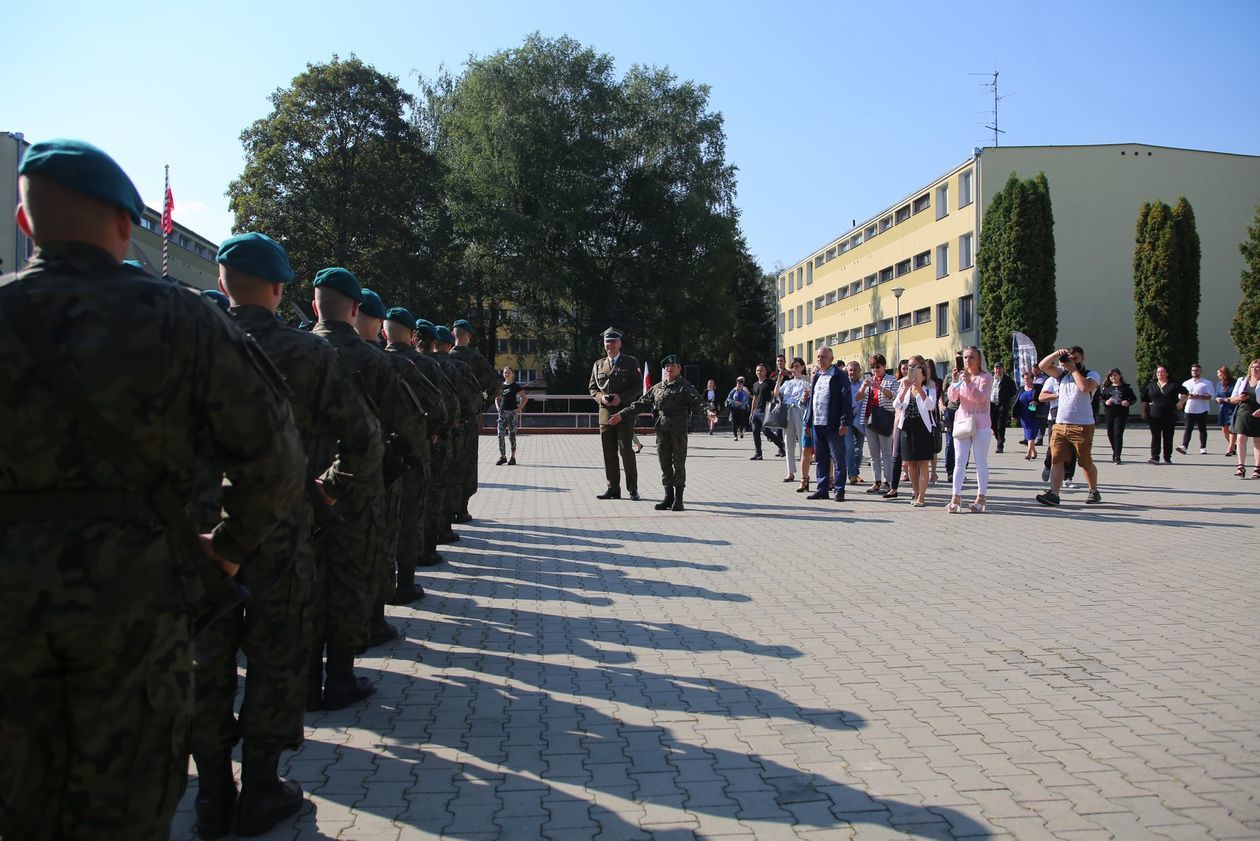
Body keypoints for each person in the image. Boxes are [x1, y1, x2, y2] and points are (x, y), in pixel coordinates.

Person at [0, 139, 306, 841]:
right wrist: (227, 549)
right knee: (127, 803)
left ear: (24, 224)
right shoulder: (180, 319)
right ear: (122, 224)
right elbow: (276, 456)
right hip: (135, 601)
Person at [195, 233, 385, 837]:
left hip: (200, 538)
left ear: (223, 282)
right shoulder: (307, 354)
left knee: (207, 664)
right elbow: (365, 438)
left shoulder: (186, 344)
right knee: (277, 657)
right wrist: (329, 486)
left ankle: (210, 795)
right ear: (279, 290)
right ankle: (261, 791)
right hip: (281, 528)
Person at [310, 270, 424, 708]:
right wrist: (386, 471)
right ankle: (339, 675)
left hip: (289, 486)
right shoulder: (374, 360)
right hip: (355, 485)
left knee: (299, 584)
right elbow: (411, 425)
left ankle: (301, 682)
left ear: (315, 303)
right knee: (350, 576)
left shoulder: (286, 347)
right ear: (355, 309)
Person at [608, 355, 714, 510]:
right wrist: (621, 414)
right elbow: (640, 404)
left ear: (679, 369)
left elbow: (698, 402)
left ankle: (678, 499)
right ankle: (668, 497)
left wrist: (708, 413)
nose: (669, 369)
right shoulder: (658, 387)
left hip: (678, 430)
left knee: (678, 464)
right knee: (664, 465)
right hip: (661, 430)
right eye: (667, 367)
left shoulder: (684, 386)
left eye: (673, 366)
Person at [1035, 346, 1102, 506]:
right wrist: (1056, 354)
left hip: (1082, 426)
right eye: (1069, 358)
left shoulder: (1091, 375)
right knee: (1057, 460)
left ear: (1083, 359)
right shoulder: (1061, 375)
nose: (1072, 361)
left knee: (1085, 462)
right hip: (1060, 424)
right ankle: (1054, 494)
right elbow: (1042, 366)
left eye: (1076, 358)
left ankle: (1094, 491)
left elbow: (1085, 387)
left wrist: (1073, 369)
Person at [449, 319, 501, 521]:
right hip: (468, 420)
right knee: (466, 464)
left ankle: (445, 512)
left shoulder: (443, 357)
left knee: (447, 463)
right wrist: (481, 405)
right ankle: (461, 509)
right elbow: (496, 384)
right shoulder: (475, 358)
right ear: (469, 336)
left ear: (453, 335)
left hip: (443, 422)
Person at [588, 327, 642, 500]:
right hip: (605, 415)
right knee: (609, 453)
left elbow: (638, 387)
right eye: (607, 341)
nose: (609, 344)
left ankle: (632, 488)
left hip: (624, 414)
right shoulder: (598, 364)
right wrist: (601, 398)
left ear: (620, 343)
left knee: (626, 451)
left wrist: (621, 397)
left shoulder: (630, 362)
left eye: (612, 341)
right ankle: (613, 488)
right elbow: (592, 388)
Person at [946, 345, 993, 513]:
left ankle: (981, 497)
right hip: (962, 422)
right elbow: (952, 398)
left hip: (981, 423)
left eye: (972, 357)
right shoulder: (961, 377)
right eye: (965, 357)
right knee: (959, 461)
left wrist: (968, 383)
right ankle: (955, 497)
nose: (967, 360)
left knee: (980, 462)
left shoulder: (986, 377)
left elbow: (981, 398)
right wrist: (954, 381)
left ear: (979, 359)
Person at [805, 346, 853, 501]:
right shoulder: (817, 375)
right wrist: (807, 421)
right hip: (817, 424)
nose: (820, 359)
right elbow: (813, 400)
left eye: (823, 357)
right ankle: (822, 489)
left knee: (838, 459)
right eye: (818, 356)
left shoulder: (840, 375)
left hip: (833, 424)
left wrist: (844, 421)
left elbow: (846, 399)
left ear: (831, 359)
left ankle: (839, 490)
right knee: (821, 458)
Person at [892, 356, 937, 507]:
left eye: (915, 367)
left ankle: (922, 497)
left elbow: (931, 406)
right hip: (907, 427)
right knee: (911, 463)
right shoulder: (903, 385)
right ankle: (916, 493)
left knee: (923, 463)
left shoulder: (929, 385)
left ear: (922, 370)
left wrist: (919, 388)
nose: (911, 370)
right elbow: (896, 405)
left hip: (923, 428)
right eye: (910, 367)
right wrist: (905, 389)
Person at [862, 354, 898, 496]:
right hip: (870, 419)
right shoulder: (869, 381)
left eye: (878, 367)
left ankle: (887, 481)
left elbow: (894, 395)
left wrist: (880, 387)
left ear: (884, 366)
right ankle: (876, 481)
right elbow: (859, 399)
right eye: (872, 367)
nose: (875, 370)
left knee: (886, 453)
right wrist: (865, 386)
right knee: (873, 454)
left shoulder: (891, 379)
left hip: (884, 419)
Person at [1141, 364, 1188, 464]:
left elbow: (1185, 393)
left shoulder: (1174, 384)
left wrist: (1181, 403)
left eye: (1162, 371)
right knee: (1155, 436)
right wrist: (1145, 409)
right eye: (1158, 372)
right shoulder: (1151, 385)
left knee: (1168, 436)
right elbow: (1144, 398)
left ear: (1167, 373)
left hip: (1169, 414)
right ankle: (1155, 457)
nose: (1159, 374)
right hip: (1154, 415)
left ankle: (1167, 457)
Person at [774, 357, 810, 484]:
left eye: (797, 366)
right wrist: (779, 379)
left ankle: (804, 473)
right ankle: (790, 472)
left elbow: (809, 387)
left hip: (800, 411)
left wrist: (799, 374)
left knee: (802, 442)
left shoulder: (805, 380)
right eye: (793, 366)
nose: (795, 369)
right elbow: (776, 393)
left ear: (802, 367)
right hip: (788, 412)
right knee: (788, 443)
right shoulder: (788, 383)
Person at [1227, 359, 1260, 478]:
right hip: (1243, 411)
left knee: (1258, 441)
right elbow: (1232, 399)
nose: (1254, 369)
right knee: (1240, 438)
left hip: (1258, 411)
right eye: (1252, 367)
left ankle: (1257, 468)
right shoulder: (1242, 381)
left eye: (1257, 367)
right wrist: (1240, 398)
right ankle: (1241, 466)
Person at [1100, 368, 1137, 464]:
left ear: (1120, 376)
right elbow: (1100, 398)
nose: (1113, 377)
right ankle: (1115, 451)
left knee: (1118, 433)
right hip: (1109, 413)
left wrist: (1128, 402)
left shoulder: (1126, 388)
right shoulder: (1106, 388)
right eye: (1111, 376)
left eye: (1115, 375)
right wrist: (1106, 401)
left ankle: (1117, 456)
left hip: (1121, 413)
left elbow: (1133, 399)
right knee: (1110, 433)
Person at [749, 363, 785, 460]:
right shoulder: (755, 385)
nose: (759, 372)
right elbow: (754, 398)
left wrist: (774, 407)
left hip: (766, 411)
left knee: (766, 432)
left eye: (761, 370)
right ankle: (758, 453)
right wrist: (751, 412)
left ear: (765, 372)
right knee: (755, 431)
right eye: (757, 370)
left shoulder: (769, 383)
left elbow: (775, 395)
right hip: (756, 411)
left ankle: (781, 446)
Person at [1176, 364, 1214, 455]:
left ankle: (1203, 447)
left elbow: (1211, 396)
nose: (1194, 372)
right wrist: (1182, 401)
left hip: (1202, 409)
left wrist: (1199, 396)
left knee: (1202, 429)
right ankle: (1184, 446)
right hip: (1189, 409)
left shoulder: (1206, 383)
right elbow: (1180, 395)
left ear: (1201, 371)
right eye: (1193, 370)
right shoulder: (1186, 383)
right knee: (1188, 428)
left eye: (1196, 370)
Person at [495, 366, 528, 465]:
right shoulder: (501, 386)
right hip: (502, 413)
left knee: (511, 435)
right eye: (505, 372)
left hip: (512, 413)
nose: (506, 374)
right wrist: (498, 408)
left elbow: (524, 398)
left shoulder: (515, 386)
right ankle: (503, 456)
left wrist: (518, 409)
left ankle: (513, 457)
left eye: (508, 372)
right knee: (500, 434)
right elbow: (496, 398)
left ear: (512, 374)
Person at [844, 361, 867, 484]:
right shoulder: (843, 383)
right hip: (846, 420)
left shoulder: (864, 384)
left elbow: (864, 400)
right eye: (850, 370)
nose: (852, 372)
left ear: (859, 371)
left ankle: (855, 471)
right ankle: (852, 474)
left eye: (855, 370)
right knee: (849, 448)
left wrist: (855, 409)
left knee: (858, 450)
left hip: (860, 420)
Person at [989, 362, 1018, 453]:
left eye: (1000, 368)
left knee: (1000, 425)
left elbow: (1014, 391)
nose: (998, 370)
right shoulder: (990, 379)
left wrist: (1006, 397)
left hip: (1002, 405)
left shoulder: (1007, 380)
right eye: (996, 368)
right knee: (992, 424)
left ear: (1002, 369)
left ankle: (1000, 446)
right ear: (994, 369)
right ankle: (999, 438)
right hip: (991, 405)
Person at [1015, 371, 1043, 461]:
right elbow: (1016, 401)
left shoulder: (1037, 388)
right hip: (1024, 414)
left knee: (1031, 433)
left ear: (1032, 379)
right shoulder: (1021, 389)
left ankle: (1028, 453)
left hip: (1035, 414)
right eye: (1025, 379)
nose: (1026, 380)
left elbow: (1043, 399)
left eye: (1028, 378)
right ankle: (1034, 451)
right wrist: (1015, 413)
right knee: (1027, 432)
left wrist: (1037, 402)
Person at [1216, 365, 1237, 456]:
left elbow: (1236, 394)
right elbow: (1217, 395)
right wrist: (1217, 399)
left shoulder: (1234, 383)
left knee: (1232, 429)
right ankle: (1232, 445)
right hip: (1223, 408)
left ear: (1224, 374)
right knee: (1224, 429)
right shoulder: (1219, 384)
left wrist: (1228, 399)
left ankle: (1230, 448)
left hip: (1233, 407)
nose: (1218, 375)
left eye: (1219, 373)